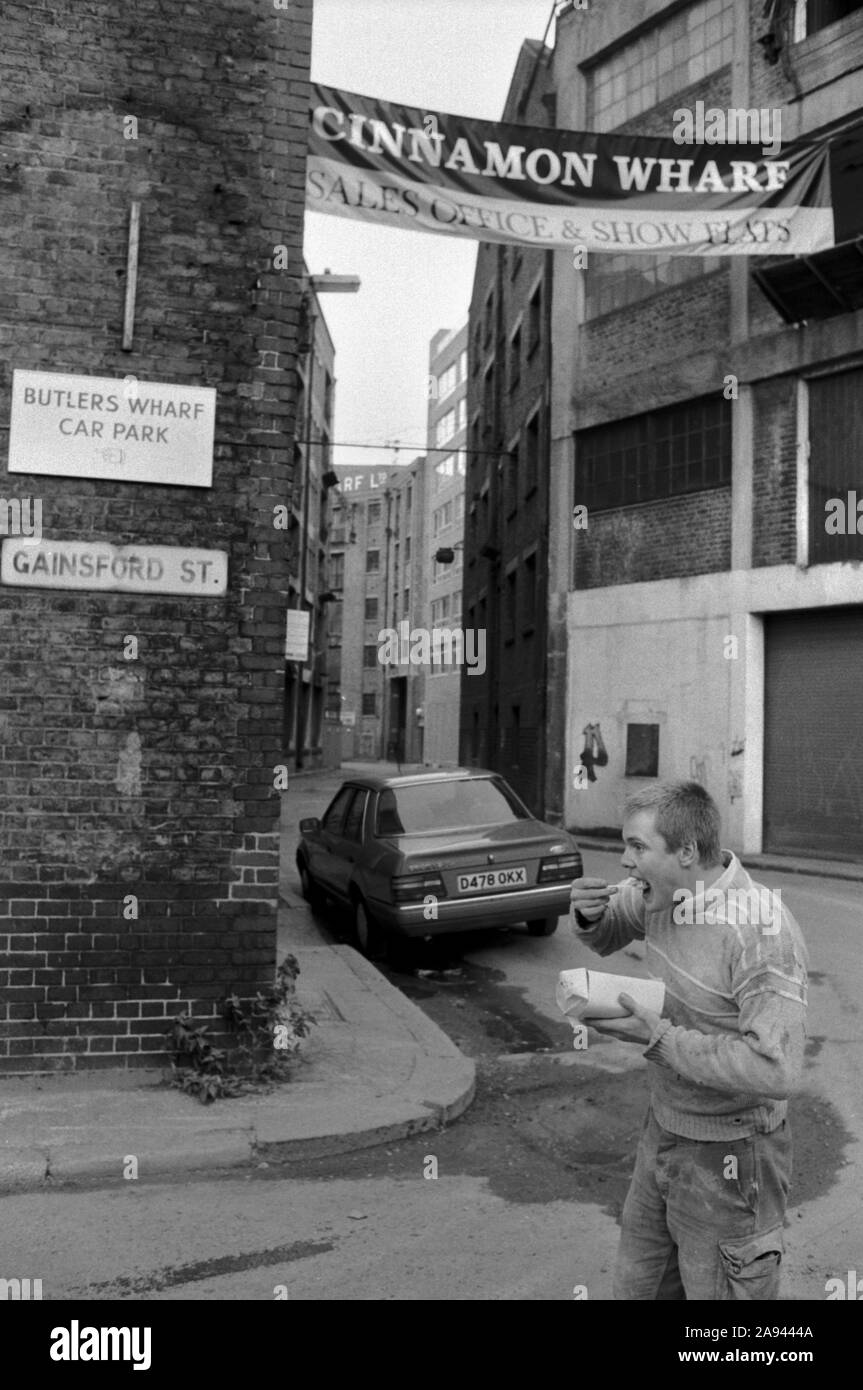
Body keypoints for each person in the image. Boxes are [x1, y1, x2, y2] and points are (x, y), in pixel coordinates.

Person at [569, 780, 808, 1301]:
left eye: (637, 847)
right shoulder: (665, 895)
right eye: (625, 844)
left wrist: (659, 1039)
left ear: (686, 851)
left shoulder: (760, 930)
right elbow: (611, 928)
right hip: (664, 1130)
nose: (624, 862)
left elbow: (778, 1071)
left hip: (733, 1154)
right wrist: (590, 915)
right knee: (640, 1289)